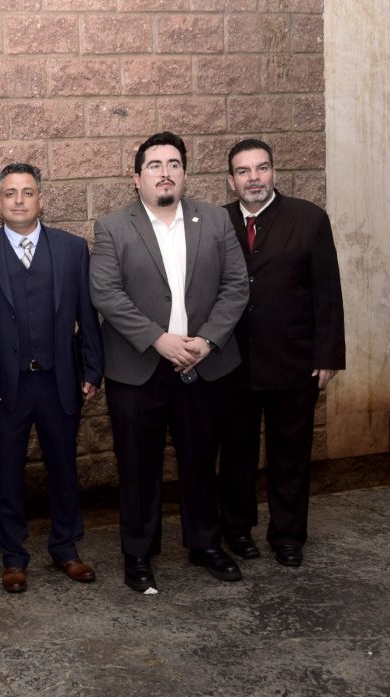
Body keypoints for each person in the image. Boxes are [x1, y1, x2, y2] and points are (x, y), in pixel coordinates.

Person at [89, 132, 249, 593]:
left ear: (184, 173)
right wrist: (158, 339)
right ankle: (138, 553)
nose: (165, 172)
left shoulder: (215, 220)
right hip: (139, 368)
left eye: (174, 164)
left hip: (204, 364)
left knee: (201, 460)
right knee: (138, 467)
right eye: (155, 165)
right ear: (136, 177)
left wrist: (208, 341)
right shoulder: (112, 227)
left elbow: (236, 286)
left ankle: (205, 543)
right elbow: (106, 293)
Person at [0, 163, 105, 593]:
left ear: (41, 199)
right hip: (4, 387)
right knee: (7, 473)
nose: (19, 200)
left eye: (27, 192)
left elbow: (87, 313)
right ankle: (13, 556)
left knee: (64, 468)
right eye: (10, 193)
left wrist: (93, 368)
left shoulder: (72, 249)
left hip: (59, 380)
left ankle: (66, 548)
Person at [217, 139, 345, 567]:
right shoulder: (216, 222)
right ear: (231, 180)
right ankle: (237, 530)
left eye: (261, 168)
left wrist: (328, 355)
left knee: (290, 454)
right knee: (235, 453)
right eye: (243, 171)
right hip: (232, 364)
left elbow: (327, 292)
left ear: (274, 172)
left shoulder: (309, 219)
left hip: (294, 362)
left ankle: (288, 535)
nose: (254, 178)